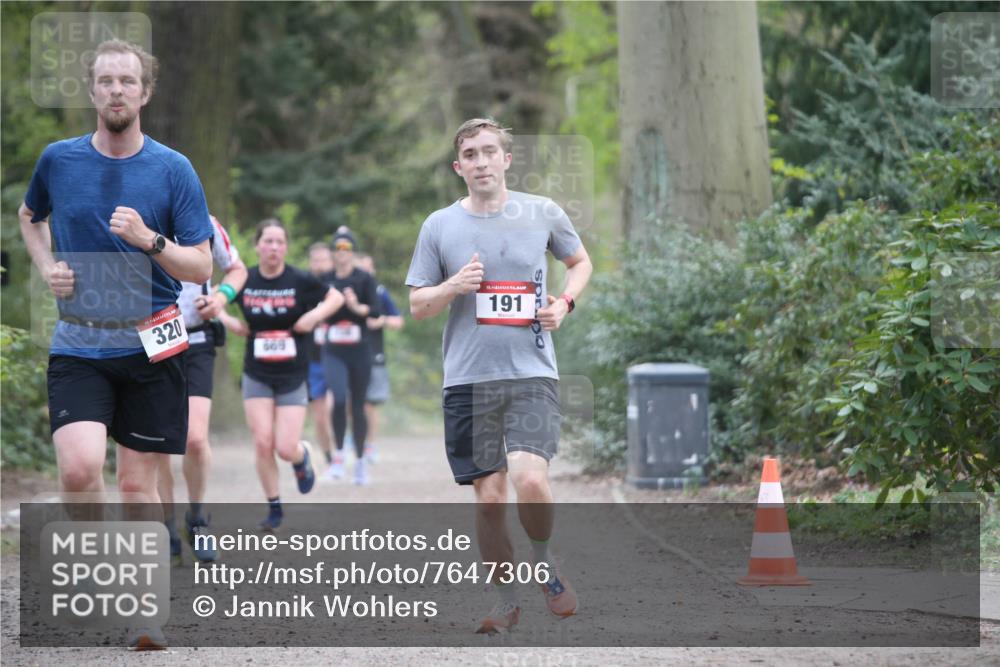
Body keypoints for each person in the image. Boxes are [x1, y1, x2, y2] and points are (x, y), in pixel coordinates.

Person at [17, 38, 214, 651]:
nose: (117, 91)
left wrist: (150, 241)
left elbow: (201, 263)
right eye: (106, 81)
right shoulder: (59, 159)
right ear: (93, 90)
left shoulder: (173, 168)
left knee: (136, 485)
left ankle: (145, 607)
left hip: (153, 339)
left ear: (145, 92)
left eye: (128, 81)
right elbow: (30, 216)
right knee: (78, 471)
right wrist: (48, 265)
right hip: (79, 340)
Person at [406, 118, 593, 634]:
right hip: (468, 380)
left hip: (532, 372)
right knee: (489, 500)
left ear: (507, 160)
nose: (482, 161)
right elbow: (419, 304)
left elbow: (579, 263)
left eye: (491, 151)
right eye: (471, 154)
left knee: (531, 479)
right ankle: (506, 599)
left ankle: (545, 562)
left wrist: (564, 302)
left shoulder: (542, 212)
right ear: (458, 166)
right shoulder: (439, 226)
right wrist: (454, 286)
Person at [228, 219, 343, 530]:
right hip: (257, 372)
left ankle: (301, 455)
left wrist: (313, 315)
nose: (274, 248)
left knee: (284, 446)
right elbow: (213, 299)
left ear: (286, 247)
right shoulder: (245, 278)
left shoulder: (300, 279)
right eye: (268, 242)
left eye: (280, 242)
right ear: (257, 246)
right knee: (263, 442)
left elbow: (336, 298)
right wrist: (230, 322)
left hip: (293, 374)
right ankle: (274, 507)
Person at [158, 215, 247, 565]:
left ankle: (196, 517)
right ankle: (165, 526)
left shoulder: (205, 222)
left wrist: (222, 299)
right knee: (158, 443)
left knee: (194, 439)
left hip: (196, 341)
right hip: (152, 340)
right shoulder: (141, 216)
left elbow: (237, 269)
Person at [318, 228, 380, 485]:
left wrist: (356, 306)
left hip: (359, 349)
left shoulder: (364, 278)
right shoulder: (325, 279)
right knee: (339, 399)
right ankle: (339, 457)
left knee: (358, 404)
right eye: (338, 248)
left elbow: (375, 312)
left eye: (347, 248)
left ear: (352, 252)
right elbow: (315, 309)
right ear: (333, 253)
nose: (342, 253)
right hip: (334, 349)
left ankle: (361, 463)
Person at [355, 252, 404, 463]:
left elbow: (398, 321)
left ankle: (370, 445)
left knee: (369, 404)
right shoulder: (346, 291)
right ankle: (353, 439)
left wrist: (381, 320)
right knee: (348, 402)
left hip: (374, 354)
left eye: (369, 268)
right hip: (347, 354)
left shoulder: (379, 292)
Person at [305, 242, 336, 468]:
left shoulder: (341, 285)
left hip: (339, 358)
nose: (319, 265)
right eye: (315, 260)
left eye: (323, 260)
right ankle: (329, 455)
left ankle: (346, 447)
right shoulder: (302, 286)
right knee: (320, 417)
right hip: (313, 360)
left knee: (337, 407)